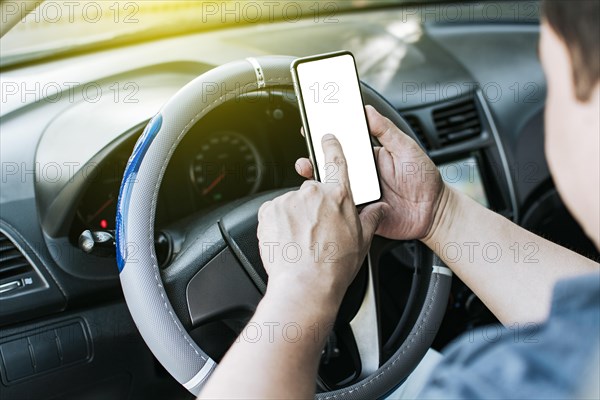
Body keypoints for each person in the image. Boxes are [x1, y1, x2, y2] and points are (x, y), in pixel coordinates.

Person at [199, 1, 599, 398]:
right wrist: (441, 214)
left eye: (550, 71)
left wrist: (300, 283)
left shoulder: (490, 382)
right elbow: (583, 325)